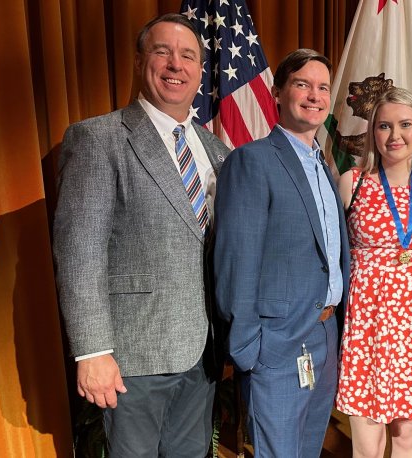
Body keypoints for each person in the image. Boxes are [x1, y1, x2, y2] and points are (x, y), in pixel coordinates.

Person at [52, 13, 230, 456]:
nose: (176, 64)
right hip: (133, 357)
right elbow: (80, 253)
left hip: (203, 353)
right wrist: (92, 351)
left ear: (200, 71)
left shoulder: (218, 151)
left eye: (188, 55)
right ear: (139, 62)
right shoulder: (99, 139)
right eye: (162, 52)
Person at [213, 48, 349, 458]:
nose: (315, 95)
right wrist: (250, 350)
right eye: (302, 84)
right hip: (277, 343)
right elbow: (236, 261)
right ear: (277, 93)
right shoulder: (252, 161)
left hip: (325, 336)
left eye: (323, 87)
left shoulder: (323, 165)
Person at [336, 87, 412, 457]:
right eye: (384, 126)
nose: (394, 135)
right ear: (373, 132)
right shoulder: (351, 182)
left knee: (406, 436)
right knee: (367, 443)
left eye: (405, 124)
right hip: (366, 323)